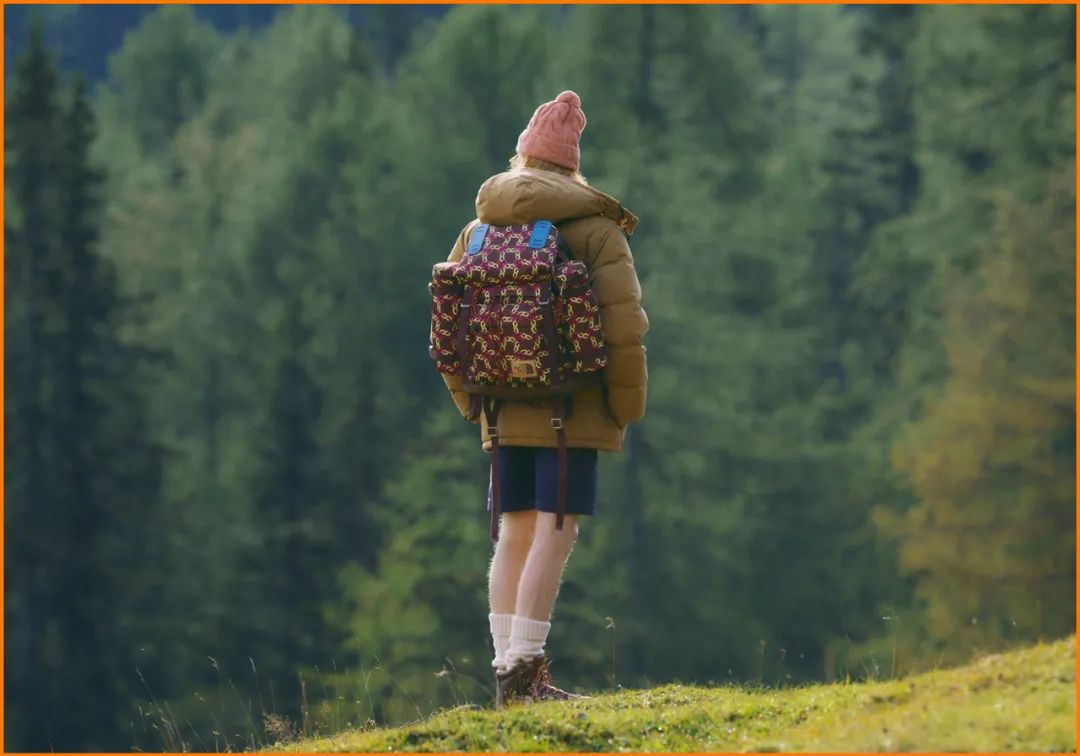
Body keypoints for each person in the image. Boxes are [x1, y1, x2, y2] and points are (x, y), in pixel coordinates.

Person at [440, 91, 648, 704]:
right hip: (572, 406)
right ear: (571, 166)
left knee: (515, 528)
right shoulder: (596, 230)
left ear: (522, 158)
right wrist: (625, 405)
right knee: (557, 528)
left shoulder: (479, 230)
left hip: (500, 405)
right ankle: (524, 668)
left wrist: (470, 401)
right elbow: (623, 327)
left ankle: (507, 667)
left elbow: (448, 329)